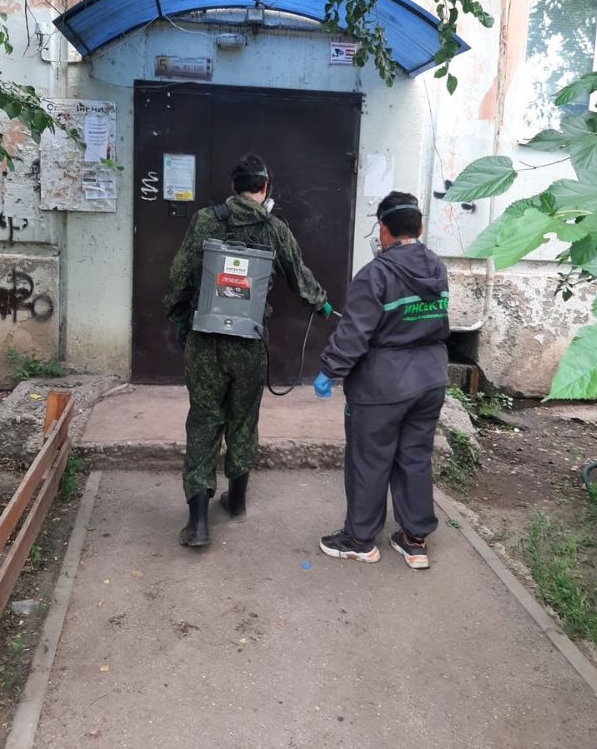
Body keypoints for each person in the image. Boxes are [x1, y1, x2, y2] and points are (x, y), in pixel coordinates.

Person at [164, 153, 331, 548]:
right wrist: (321, 303)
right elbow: (299, 277)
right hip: (249, 342)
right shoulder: (274, 228)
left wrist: (179, 316)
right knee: (243, 418)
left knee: (204, 420)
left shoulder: (206, 220)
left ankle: (198, 523)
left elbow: (180, 274)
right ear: (265, 188)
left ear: (233, 187)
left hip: (206, 340)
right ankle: (236, 502)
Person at [314, 191, 449, 569]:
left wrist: (329, 370)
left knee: (369, 459)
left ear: (383, 229)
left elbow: (354, 334)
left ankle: (359, 539)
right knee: (415, 457)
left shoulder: (376, 274)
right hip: (430, 379)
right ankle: (414, 540)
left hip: (383, 385)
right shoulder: (437, 268)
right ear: (419, 228)